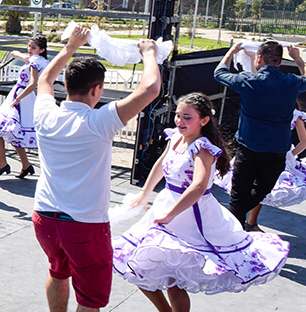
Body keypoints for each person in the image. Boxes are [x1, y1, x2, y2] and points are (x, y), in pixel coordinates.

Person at [113, 93, 289, 312]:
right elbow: (161, 164)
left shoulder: (203, 148)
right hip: (167, 205)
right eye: (178, 115)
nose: (179, 121)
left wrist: (171, 215)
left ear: (203, 120)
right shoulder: (175, 137)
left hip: (191, 216)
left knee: (173, 282)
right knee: (135, 265)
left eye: (187, 117)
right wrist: (144, 194)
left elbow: (198, 186)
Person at [31, 27, 161, 312]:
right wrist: (150, 53)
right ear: (97, 89)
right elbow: (151, 89)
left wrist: (71, 47)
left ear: (66, 85)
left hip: (45, 217)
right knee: (90, 299)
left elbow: (44, 79)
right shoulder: (99, 122)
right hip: (84, 225)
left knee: (57, 271)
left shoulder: (45, 114)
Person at [213, 41, 306, 233]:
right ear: (280, 62)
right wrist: (298, 59)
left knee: (239, 198)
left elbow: (219, 73)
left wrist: (231, 52)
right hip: (276, 152)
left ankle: (233, 230)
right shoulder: (291, 82)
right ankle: (236, 222)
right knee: (262, 191)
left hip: (249, 149)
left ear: (259, 59)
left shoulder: (249, 81)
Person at [0, 36, 49, 179]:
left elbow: (33, 84)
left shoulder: (35, 62)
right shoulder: (38, 61)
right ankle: (24, 165)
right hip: (22, 96)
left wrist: (18, 98)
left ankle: (5, 164)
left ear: (42, 50)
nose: (30, 49)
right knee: (10, 131)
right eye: (29, 46)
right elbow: (14, 53)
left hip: (21, 97)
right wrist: (27, 58)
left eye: (33, 47)